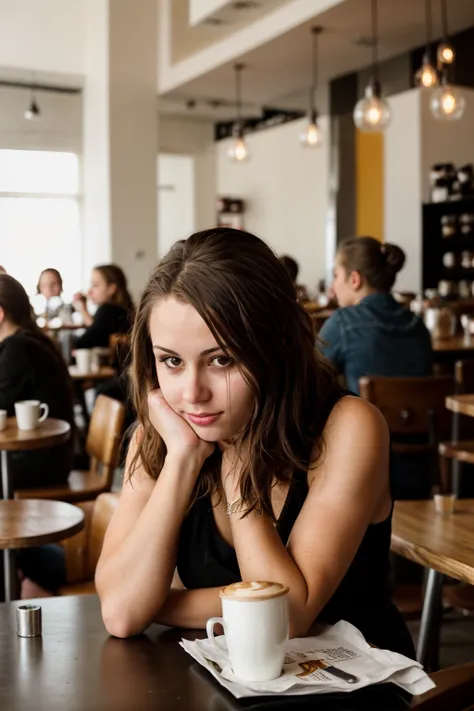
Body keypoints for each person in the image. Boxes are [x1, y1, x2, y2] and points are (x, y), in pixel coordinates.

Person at [95, 228, 415, 658]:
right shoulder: (164, 439)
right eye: (171, 361)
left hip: (353, 688)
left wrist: (236, 472)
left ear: (276, 346)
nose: (192, 393)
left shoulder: (349, 427)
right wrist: (183, 460)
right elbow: (120, 613)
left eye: (221, 360)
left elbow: (284, 618)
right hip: (233, 685)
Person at [0, 274, 75, 599]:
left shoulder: (17, 348)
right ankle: (19, 561)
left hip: (42, 460)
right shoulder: (28, 340)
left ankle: (24, 567)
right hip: (51, 454)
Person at [318, 237, 433, 395]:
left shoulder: (343, 321)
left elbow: (308, 375)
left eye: (336, 276)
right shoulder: (418, 325)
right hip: (421, 419)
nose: (332, 287)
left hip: (365, 419)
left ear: (354, 280)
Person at [73, 265, 134, 349]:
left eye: (95, 285)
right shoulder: (121, 310)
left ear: (111, 289)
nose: (89, 291)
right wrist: (83, 310)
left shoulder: (107, 310)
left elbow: (86, 342)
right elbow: (97, 331)